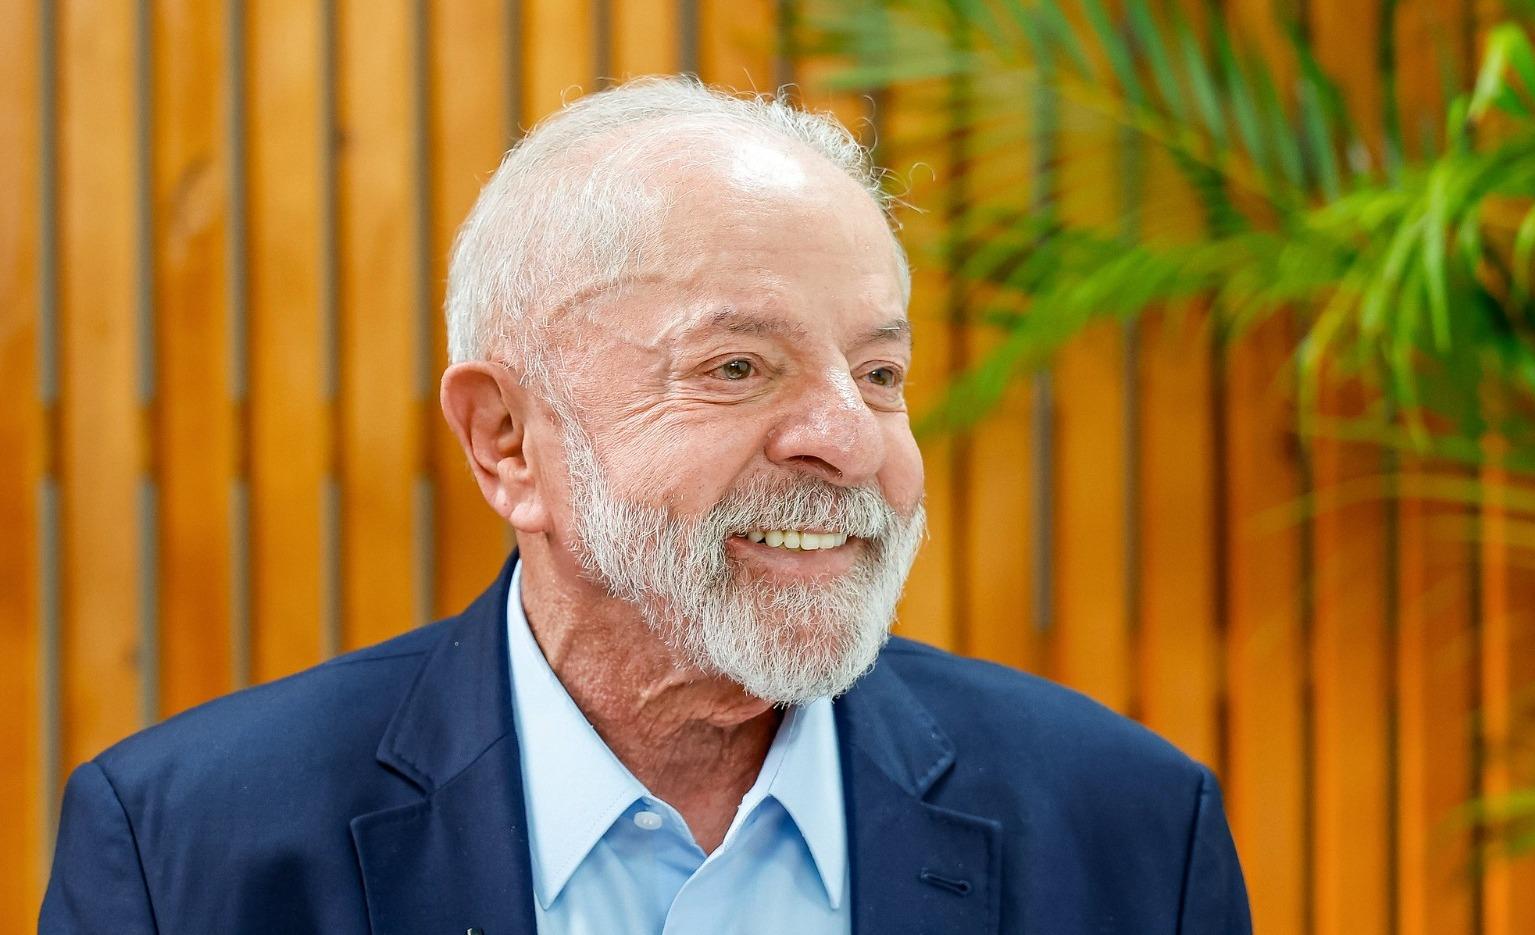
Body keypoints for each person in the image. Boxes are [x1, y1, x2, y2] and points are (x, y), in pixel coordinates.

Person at [40, 77, 1250, 934]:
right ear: (506, 440)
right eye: (737, 366)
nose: (845, 439)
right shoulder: (184, 851)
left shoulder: (1128, 826)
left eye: (878, 373)